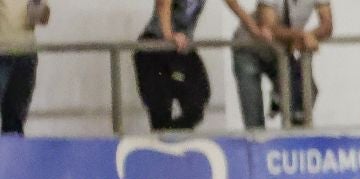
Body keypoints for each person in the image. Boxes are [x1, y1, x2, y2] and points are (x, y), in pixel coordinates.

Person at [136, 0, 264, 133]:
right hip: (154, 45)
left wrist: (255, 29)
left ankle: (168, 135)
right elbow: (163, 3)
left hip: (181, 47)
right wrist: (169, 36)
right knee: (160, 107)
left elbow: (232, 3)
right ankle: (162, 137)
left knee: (198, 100)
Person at [233, 0, 331, 129]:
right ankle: (277, 97)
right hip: (249, 49)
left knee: (306, 91)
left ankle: (293, 139)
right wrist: (302, 36)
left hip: (280, 51)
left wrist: (310, 36)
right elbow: (268, 27)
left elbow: (327, 25)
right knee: (254, 119)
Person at [0, 0, 50, 136]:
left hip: (25, 55)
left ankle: (13, 154)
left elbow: (42, 19)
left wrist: (39, 7)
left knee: (15, 121)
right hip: (2, 54)